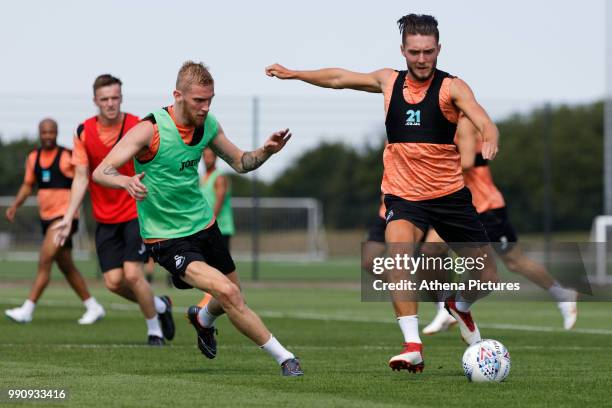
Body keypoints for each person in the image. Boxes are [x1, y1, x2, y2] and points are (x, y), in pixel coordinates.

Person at [266, 13, 500, 373]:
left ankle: (459, 306)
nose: (421, 59)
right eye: (414, 52)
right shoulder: (389, 81)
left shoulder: (452, 87)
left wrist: (490, 135)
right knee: (398, 257)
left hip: (449, 196)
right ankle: (412, 346)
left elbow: (481, 116)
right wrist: (296, 73)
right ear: (403, 50)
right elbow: (338, 78)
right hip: (403, 195)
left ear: (439, 49)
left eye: (428, 52)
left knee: (487, 278)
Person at [91, 61, 303, 376]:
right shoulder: (149, 130)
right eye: (198, 101)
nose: (205, 108)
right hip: (166, 237)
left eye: (209, 100)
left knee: (233, 293)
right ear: (178, 95)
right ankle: (285, 358)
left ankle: (203, 319)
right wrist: (126, 181)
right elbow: (101, 171)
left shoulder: (208, 126)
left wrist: (267, 151)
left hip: (205, 226)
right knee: (228, 293)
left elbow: (241, 162)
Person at [423, 116, 578, 333]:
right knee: (431, 250)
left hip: (486, 207)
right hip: (459, 207)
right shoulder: (433, 124)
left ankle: (562, 294)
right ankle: (446, 308)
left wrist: (426, 167)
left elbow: (467, 162)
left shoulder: (464, 122)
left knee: (514, 262)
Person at [53, 74, 175, 346]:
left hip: (137, 212)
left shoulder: (137, 126)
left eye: (115, 98)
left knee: (133, 275)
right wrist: (68, 214)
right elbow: (82, 176)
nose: (110, 103)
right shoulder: (84, 131)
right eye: (105, 99)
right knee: (113, 282)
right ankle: (161, 305)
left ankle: (154, 330)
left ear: (121, 97)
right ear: (95, 101)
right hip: (105, 218)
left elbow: (158, 164)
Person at [4, 119, 105, 324]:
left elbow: (82, 177)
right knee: (66, 265)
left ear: (57, 133)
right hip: (45, 218)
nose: (48, 136)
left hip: (64, 219)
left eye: (52, 132)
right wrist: (15, 204)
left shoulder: (67, 156)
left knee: (45, 259)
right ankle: (93, 307)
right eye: (44, 132)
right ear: (40, 133)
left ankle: (27, 309)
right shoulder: (33, 157)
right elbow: (27, 185)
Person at [196, 147, 235, 308]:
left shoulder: (219, 178)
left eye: (211, 156)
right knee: (206, 264)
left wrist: (207, 222)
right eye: (205, 156)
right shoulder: (201, 178)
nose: (207, 159)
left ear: (216, 158)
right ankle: (213, 297)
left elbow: (217, 204)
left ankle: (223, 296)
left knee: (219, 266)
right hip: (205, 226)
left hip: (221, 227)